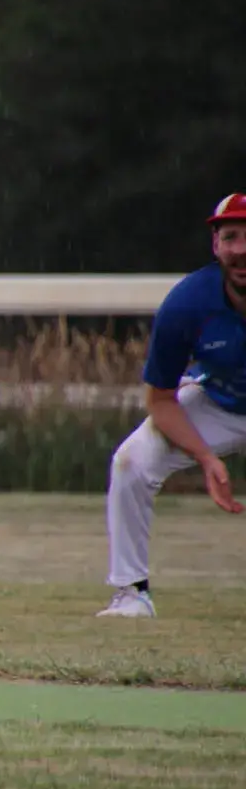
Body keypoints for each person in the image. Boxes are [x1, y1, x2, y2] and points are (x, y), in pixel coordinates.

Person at [99, 192, 246, 617]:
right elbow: (160, 400)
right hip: (218, 405)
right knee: (131, 461)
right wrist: (205, 458)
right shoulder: (187, 303)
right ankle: (131, 594)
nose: (241, 249)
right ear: (216, 246)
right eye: (231, 237)